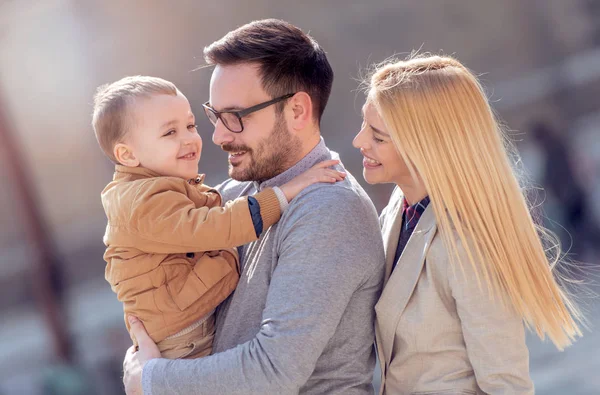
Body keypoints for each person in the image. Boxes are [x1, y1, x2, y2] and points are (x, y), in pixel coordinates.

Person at [122, 19, 385, 394]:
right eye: (214, 115)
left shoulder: (329, 208)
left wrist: (149, 379)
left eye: (236, 117)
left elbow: (273, 371)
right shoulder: (232, 197)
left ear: (296, 111)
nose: (218, 136)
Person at [353, 55, 583, 394]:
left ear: (425, 146)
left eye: (378, 136)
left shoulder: (466, 244)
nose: (359, 141)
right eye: (363, 125)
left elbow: (507, 384)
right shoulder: (397, 211)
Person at [93, 76, 345, 360]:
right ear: (127, 155)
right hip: (181, 343)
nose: (189, 139)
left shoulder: (162, 188)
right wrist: (285, 192)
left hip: (185, 328)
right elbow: (216, 227)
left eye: (190, 126)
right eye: (169, 133)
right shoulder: (143, 202)